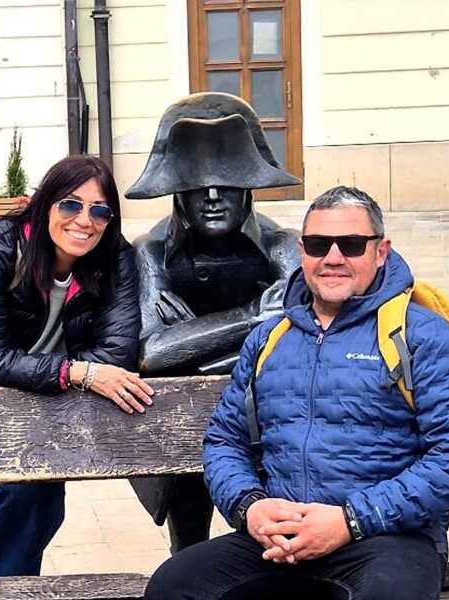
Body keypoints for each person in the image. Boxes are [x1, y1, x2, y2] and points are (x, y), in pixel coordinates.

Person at [144, 186, 449, 600]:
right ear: (303, 251)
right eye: (318, 244)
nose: (333, 258)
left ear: (381, 251)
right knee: (174, 586)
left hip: (388, 538)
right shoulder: (270, 338)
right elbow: (224, 441)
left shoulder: (422, 336)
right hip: (280, 540)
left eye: (352, 245)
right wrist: (251, 507)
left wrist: (349, 520)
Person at [0, 154, 154, 578]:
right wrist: (76, 372)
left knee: (34, 497)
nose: (83, 221)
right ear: (45, 204)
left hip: (52, 386)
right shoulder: (0, 244)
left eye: (99, 211)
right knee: (28, 496)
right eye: (70, 204)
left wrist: (72, 372)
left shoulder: (115, 259)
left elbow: (117, 354)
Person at [125, 92, 301, 552]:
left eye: (226, 182)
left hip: (274, 420)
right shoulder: (152, 253)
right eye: (196, 186)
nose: (213, 197)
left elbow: (308, 329)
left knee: (278, 527)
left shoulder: (284, 248)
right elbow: (150, 353)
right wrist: (251, 318)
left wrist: (193, 343)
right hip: (184, 428)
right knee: (188, 509)